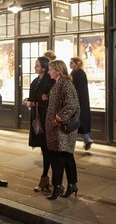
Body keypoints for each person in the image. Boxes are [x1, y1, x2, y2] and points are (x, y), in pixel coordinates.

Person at [45, 60, 80, 200]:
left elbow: (71, 105)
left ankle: (58, 187)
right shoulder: (60, 83)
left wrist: (58, 118)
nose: (48, 72)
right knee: (66, 157)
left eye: (50, 69)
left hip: (61, 129)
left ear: (58, 71)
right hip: (58, 129)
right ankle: (72, 185)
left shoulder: (65, 84)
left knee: (57, 158)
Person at [23, 57, 54, 192]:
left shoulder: (50, 81)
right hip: (36, 119)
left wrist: (34, 103)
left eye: (37, 66)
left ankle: (46, 178)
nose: (35, 68)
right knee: (44, 148)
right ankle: (47, 179)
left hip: (46, 119)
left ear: (44, 68)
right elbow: (34, 98)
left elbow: (52, 102)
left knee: (48, 150)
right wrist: (28, 101)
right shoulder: (35, 81)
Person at [70, 57, 93, 150]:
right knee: (81, 121)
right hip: (83, 101)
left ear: (76, 64)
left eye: (71, 62)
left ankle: (72, 143)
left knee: (74, 122)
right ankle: (87, 140)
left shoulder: (75, 74)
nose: (70, 64)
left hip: (77, 101)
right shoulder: (82, 73)